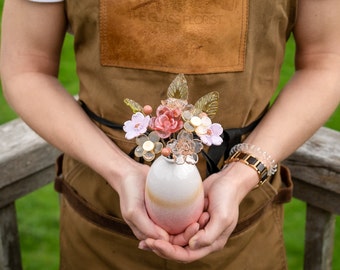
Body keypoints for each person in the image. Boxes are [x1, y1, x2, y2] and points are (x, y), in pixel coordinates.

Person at [1, 0, 340, 269]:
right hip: (100, 225)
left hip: (244, 232)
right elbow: (26, 67)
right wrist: (121, 174)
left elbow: (326, 61)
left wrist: (242, 174)